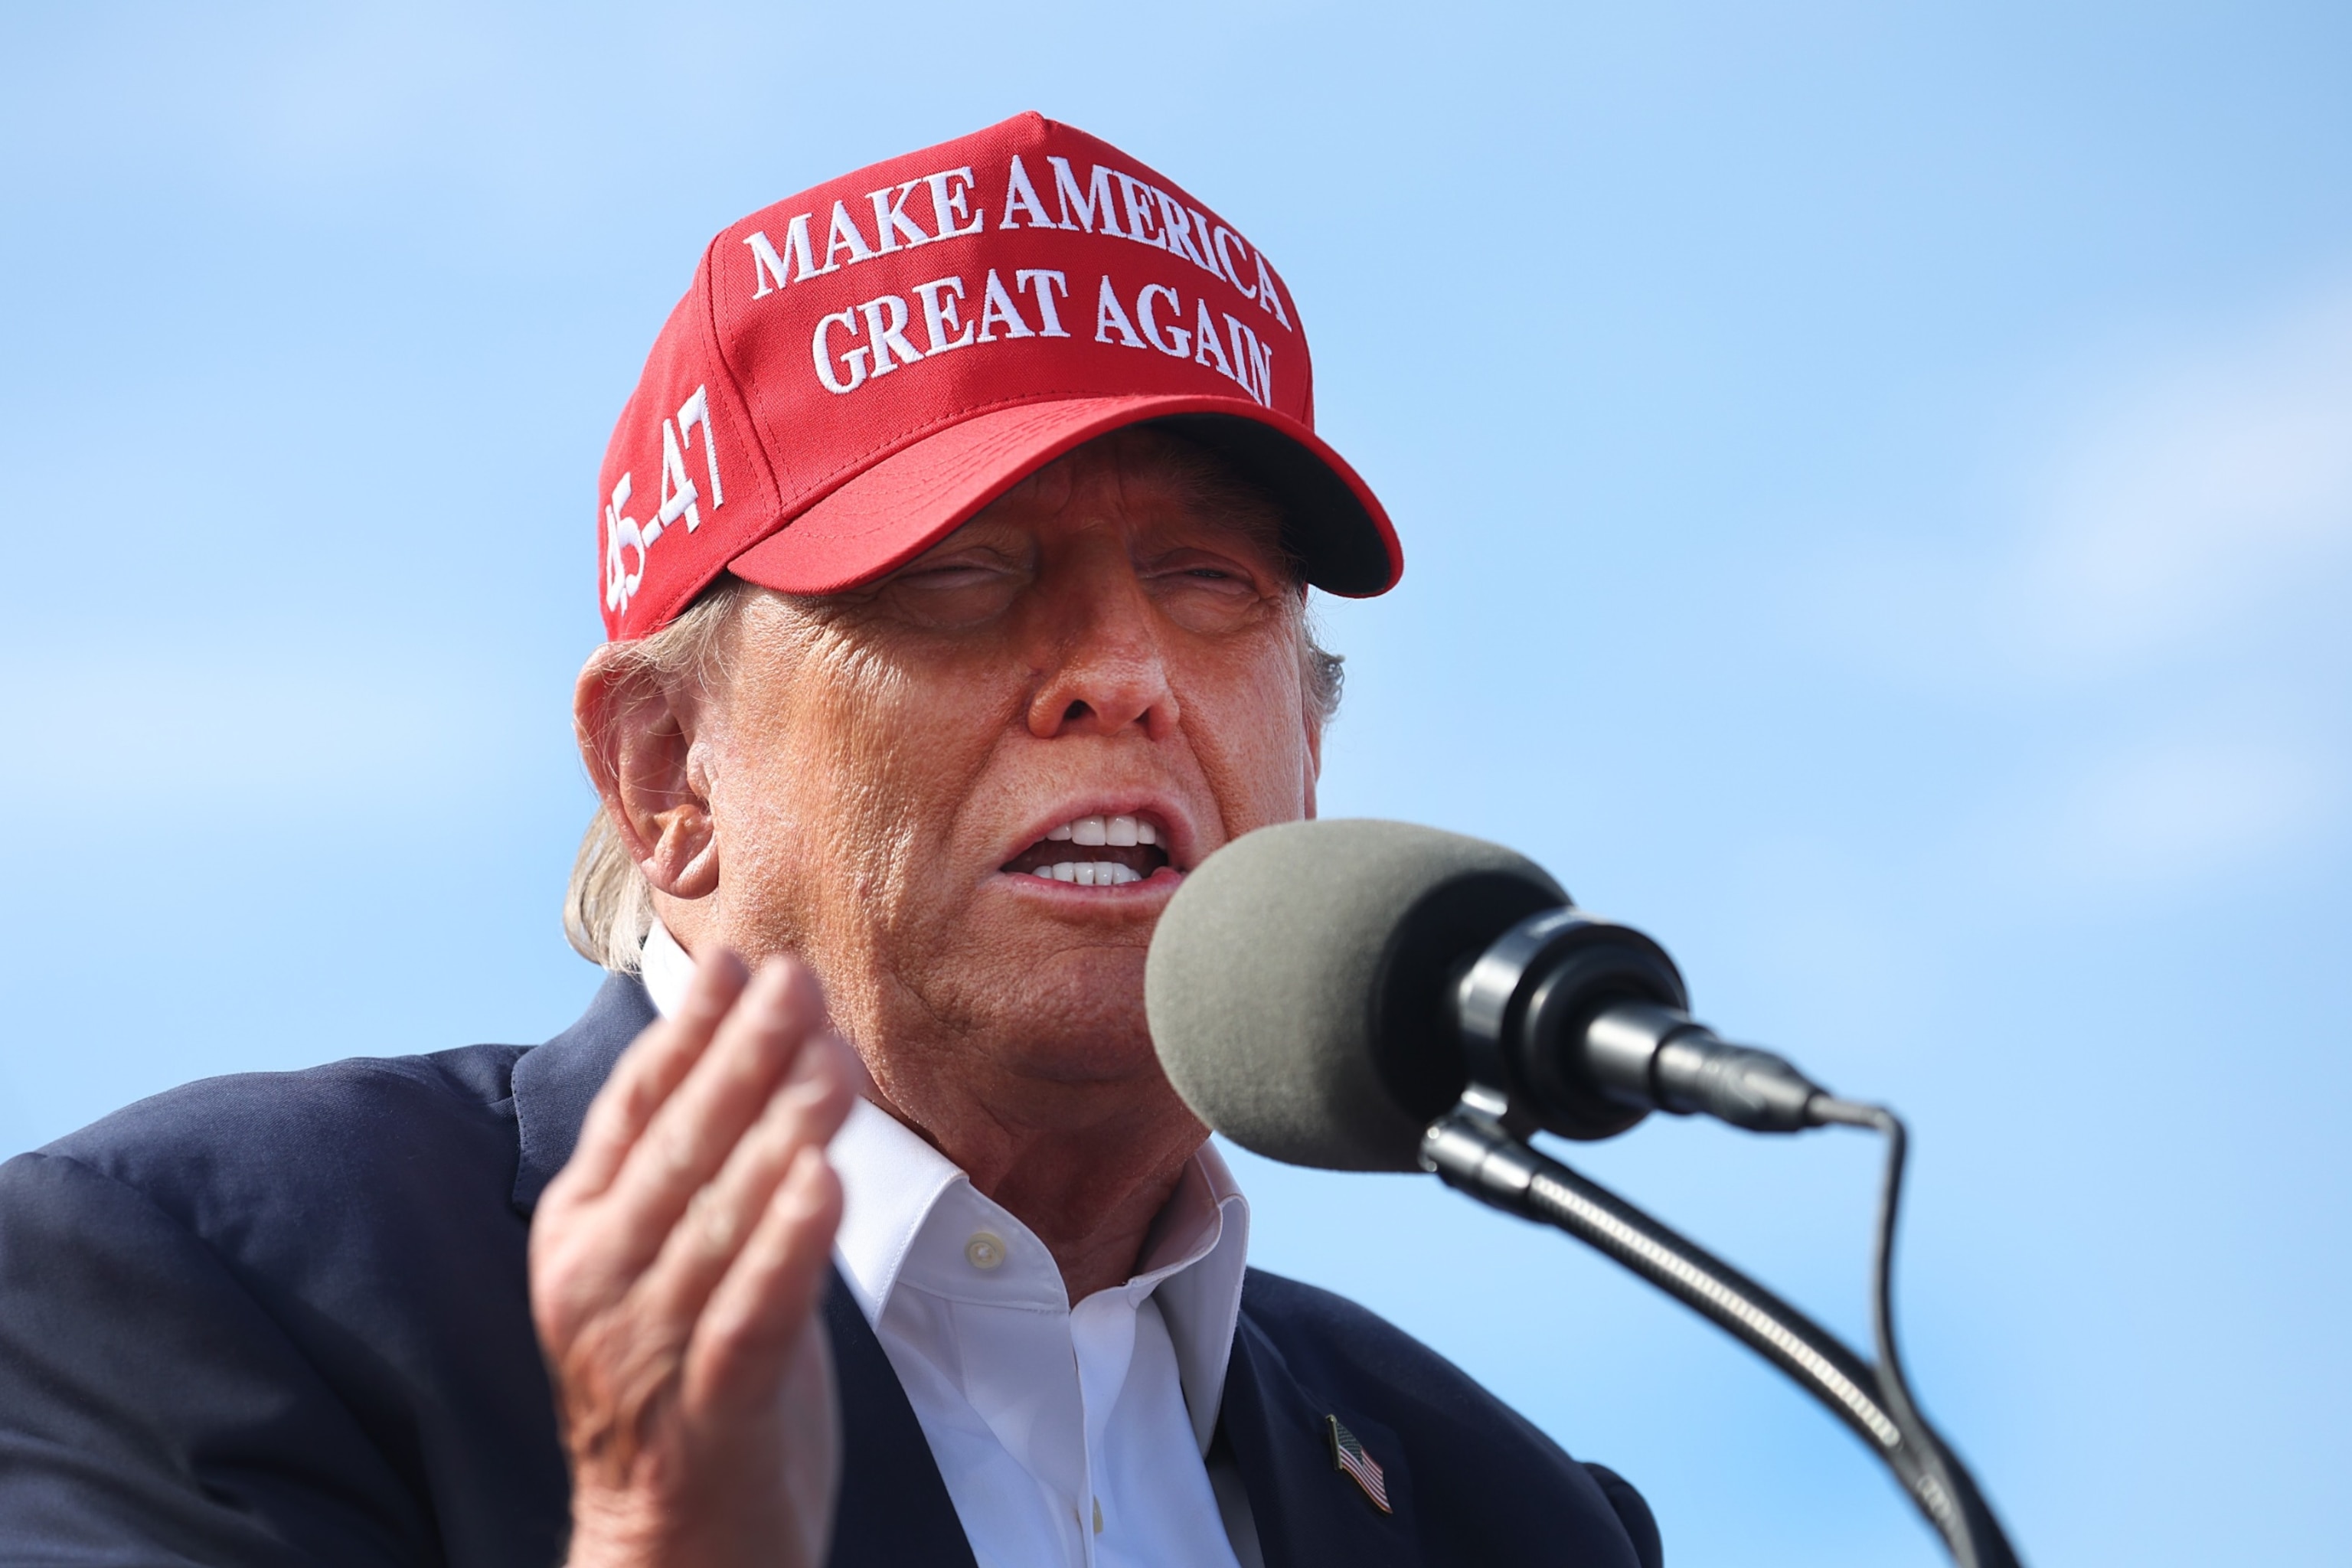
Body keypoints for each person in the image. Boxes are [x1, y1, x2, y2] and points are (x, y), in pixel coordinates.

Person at [0, 114, 1661, 1568]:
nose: (1125, 676)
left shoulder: (1508, 1511)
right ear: (670, 771)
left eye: (1212, 579)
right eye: (959, 573)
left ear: (1309, 748)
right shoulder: (193, 1292)